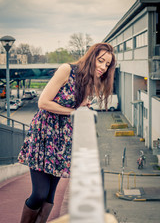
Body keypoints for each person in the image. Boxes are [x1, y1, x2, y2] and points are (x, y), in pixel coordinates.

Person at [18, 42, 116, 223]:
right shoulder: (67, 70)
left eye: (107, 64)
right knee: (39, 193)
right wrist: (75, 111)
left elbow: (80, 107)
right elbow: (43, 102)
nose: (103, 67)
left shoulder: (90, 82)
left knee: (49, 197)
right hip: (44, 135)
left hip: (63, 140)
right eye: (101, 61)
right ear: (91, 57)